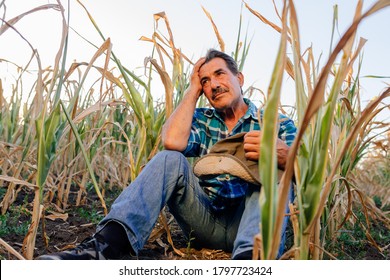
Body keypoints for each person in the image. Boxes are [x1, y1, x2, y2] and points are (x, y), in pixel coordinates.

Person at [37, 49, 296, 260]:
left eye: (220, 74)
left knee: (275, 165)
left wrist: (286, 157)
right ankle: (108, 247)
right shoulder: (202, 119)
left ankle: (252, 262)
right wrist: (192, 90)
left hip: (252, 223)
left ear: (239, 78)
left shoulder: (277, 123)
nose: (214, 85)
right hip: (208, 220)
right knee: (169, 158)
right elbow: (172, 141)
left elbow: (312, 175)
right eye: (205, 81)